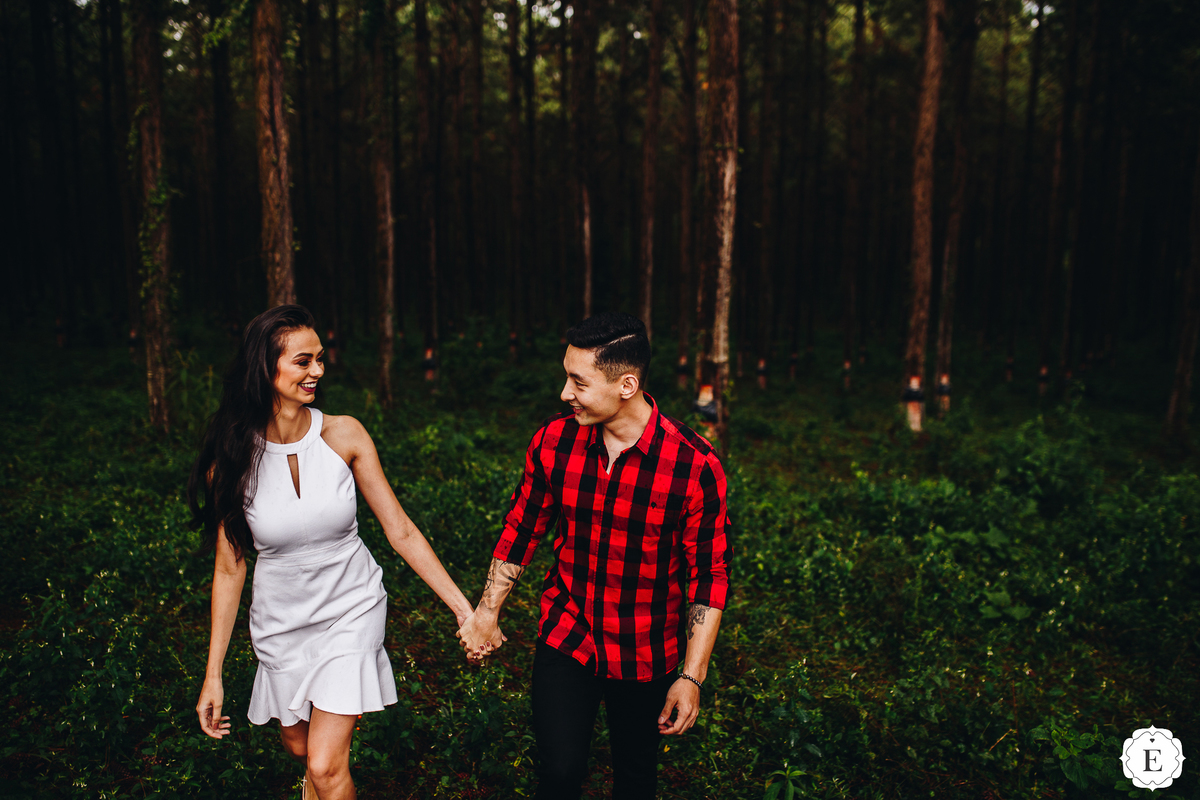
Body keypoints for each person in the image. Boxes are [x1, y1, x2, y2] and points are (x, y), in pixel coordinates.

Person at [190, 305, 473, 800]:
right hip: (281, 621)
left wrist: (463, 610)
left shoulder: (344, 434)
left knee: (324, 765)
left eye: (320, 359)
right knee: (301, 751)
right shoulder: (232, 461)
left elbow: (400, 530)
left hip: (352, 607)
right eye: (304, 361)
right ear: (266, 368)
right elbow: (229, 567)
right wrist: (212, 676)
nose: (318, 370)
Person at [456, 312, 732, 800]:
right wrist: (486, 611)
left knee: (634, 780)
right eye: (567, 376)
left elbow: (708, 574)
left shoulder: (695, 466)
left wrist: (691, 675)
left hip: (646, 647)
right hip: (569, 634)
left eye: (578, 382)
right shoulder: (553, 442)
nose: (565, 393)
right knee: (559, 775)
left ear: (627, 384)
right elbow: (523, 528)